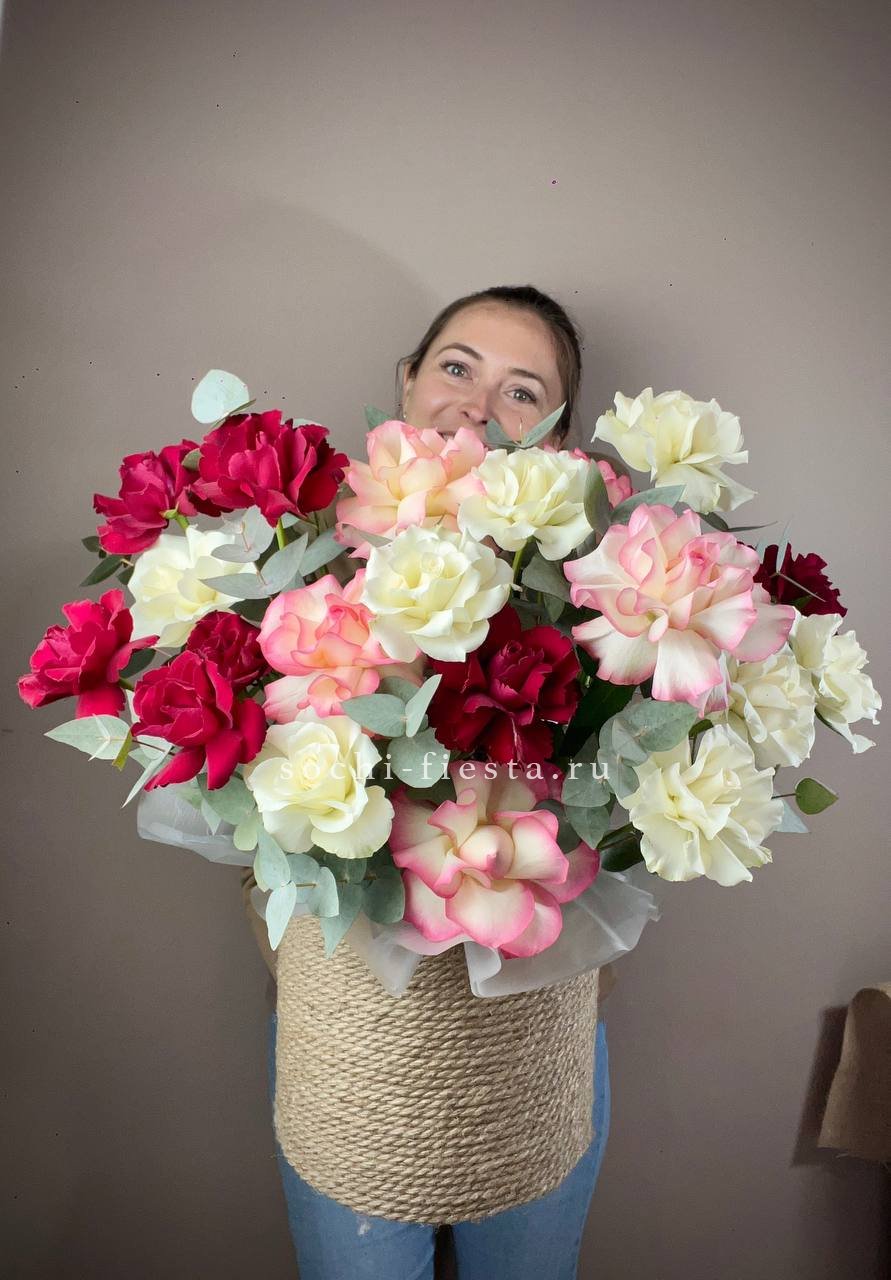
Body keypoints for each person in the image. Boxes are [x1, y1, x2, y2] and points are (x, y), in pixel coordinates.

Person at [245, 284, 613, 1279]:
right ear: (406, 381)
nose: (477, 404)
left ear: (555, 438)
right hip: (350, 1048)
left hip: (533, 1051)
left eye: (521, 390)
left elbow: (613, 854)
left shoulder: (592, 601)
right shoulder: (298, 572)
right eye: (457, 367)